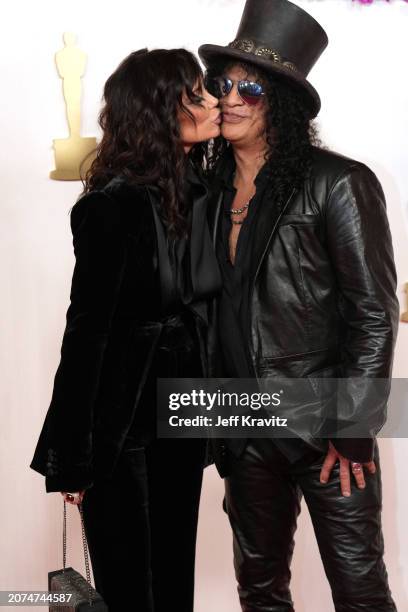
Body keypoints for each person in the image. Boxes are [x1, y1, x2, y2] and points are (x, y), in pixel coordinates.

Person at [199, 0, 399, 610]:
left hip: (325, 429)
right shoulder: (203, 190)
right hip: (242, 424)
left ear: (279, 100)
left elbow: (373, 311)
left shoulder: (339, 182)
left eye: (250, 87)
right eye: (220, 84)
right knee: (259, 590)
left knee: (359, 589)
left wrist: (354, 428)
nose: (230, 98)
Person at [30, 47, 222, 612]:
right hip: (120, 424)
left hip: (184, 410)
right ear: (162, 109)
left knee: (173, 583)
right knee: (130, 591)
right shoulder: (111, 208)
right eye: (197, 93)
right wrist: (73, 454)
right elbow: (86, 333)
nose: (213, 103)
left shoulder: (202, 193)